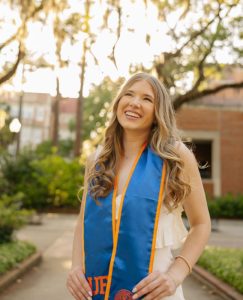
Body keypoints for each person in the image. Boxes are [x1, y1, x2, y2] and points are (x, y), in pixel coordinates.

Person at [66, 73, 211, 300]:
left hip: (156, 292)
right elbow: (82, 223)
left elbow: (201, 224)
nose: (135, 103)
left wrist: (175, 276)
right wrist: (76, 266)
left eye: (147, 99)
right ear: (118, 103)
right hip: (99, 289)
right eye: (129, 94)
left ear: (157, 112)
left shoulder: (174, 156)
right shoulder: (98, 160)